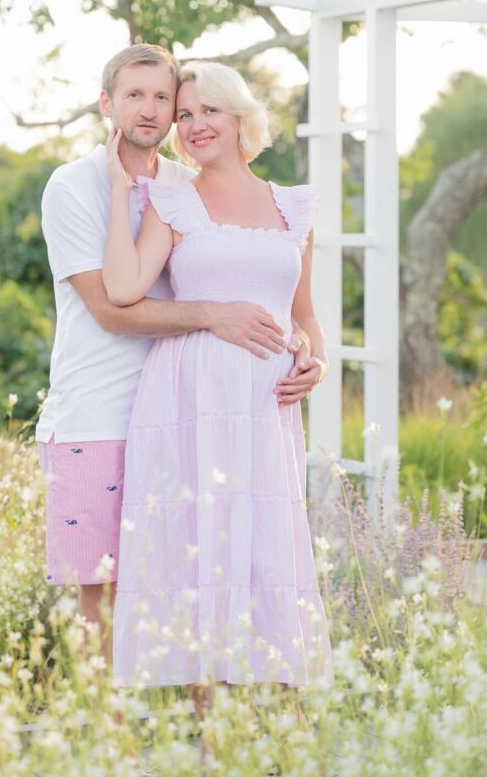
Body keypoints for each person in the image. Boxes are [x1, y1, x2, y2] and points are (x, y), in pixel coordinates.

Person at [36, 44, 320, 662]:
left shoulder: (185, 185)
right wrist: (216, 318)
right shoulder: (74, 185)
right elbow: (113, 308)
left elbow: (265, 286)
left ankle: (192, 734)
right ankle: (106, 745)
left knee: (189, 580)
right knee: (103, 591)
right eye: (134, 95)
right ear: (106, 102)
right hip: (99, 414)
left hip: (188, 415)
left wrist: (302, 349)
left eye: (163, 97)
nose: (154, 109)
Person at [103, 60, 334, 689]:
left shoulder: (293, 206)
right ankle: (213, 739)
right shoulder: (172, 199)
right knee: (199, 547)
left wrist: (313, 358)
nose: (195, 124)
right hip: (191, 398)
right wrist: (123, 188)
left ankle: (272, 730)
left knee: (263, 550)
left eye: (208, 110)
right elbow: (123, 288)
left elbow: (304, 314)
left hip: (266, 407)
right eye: (184, 115)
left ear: (240, 117)